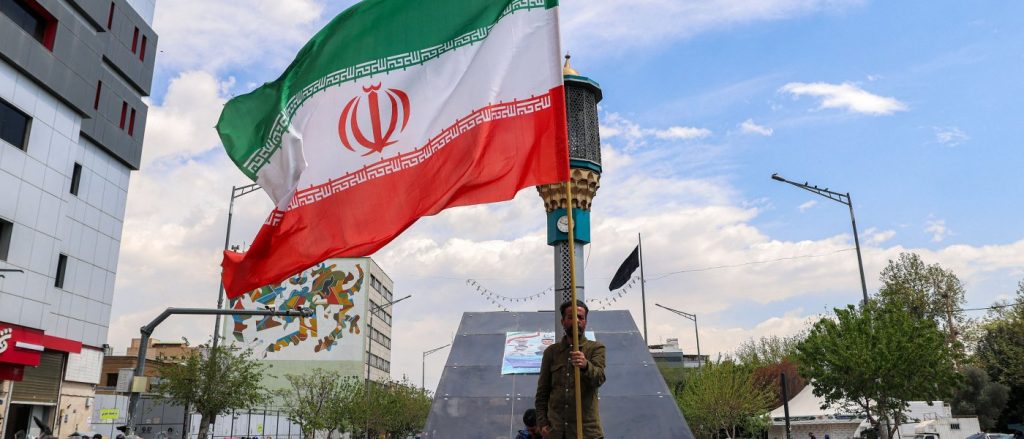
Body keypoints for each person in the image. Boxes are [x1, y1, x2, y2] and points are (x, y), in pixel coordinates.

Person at [535, 300, 606, 439]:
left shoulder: (596, 348)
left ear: (585, 321)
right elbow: (542, 392)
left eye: (581, 317)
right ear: (562, 321)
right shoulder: (551, 352)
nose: (577, 321)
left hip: (587, 433)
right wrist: (542, 422)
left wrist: (586, 365)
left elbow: (599, 379)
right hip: (556, 432)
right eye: (571, 317)